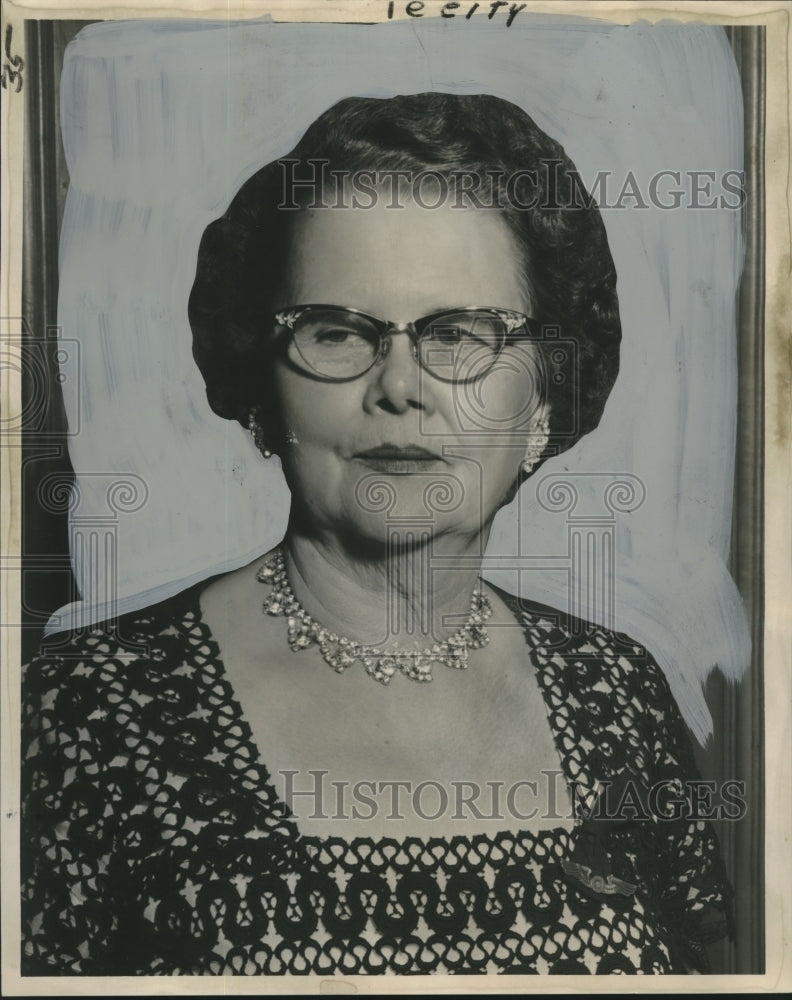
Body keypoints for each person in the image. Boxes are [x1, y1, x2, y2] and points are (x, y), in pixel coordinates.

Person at [21, 92, 733, 976]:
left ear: (545, 398)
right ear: (263, 392)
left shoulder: (620, 695)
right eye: (337, 332)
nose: (400, 386)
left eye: (461, 335)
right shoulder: (77, 711)